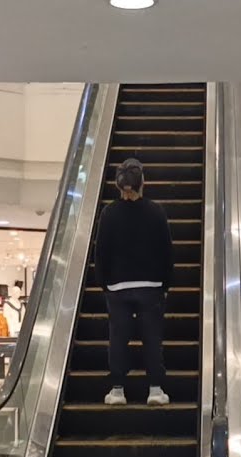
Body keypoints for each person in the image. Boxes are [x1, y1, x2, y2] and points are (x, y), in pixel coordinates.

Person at [94, 158, 173, 406]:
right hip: (151, 287)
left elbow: (101, 253)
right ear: (142, 183)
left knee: (118, 338)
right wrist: (165, 284)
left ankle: (117, 390)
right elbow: (166, 251)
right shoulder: (156, 211)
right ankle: (155, 389)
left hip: (118, 287)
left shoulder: (108, 213)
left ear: (118, 186)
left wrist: (104, 284)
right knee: (152, 338)